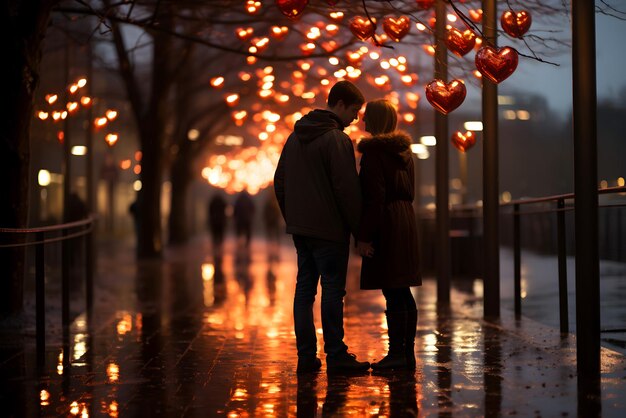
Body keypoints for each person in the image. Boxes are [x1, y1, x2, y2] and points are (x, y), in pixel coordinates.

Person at [274, 80, 369, 373]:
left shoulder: (294, 138)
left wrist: (294, 218)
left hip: (302, 230)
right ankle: (336, 355)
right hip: (330, 230)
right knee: (331, 291)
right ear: (339, 104)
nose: (355, 118)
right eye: (354, 110)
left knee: (304, 291)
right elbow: (347, 190)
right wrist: (359, 232)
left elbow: (280, 182)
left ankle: (305, 357)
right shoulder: (337, 140)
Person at [356, 99, 421, 371]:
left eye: (367, 117)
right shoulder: (404, 153)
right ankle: (406, 353)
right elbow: (410, 191)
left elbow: (374, 199)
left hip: (386, 224)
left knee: (392, 289)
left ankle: (397, 354)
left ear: (377, 121)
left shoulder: (374, 154)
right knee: (401, 288)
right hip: (405, 220)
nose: (362, 121)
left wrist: (363, 236)